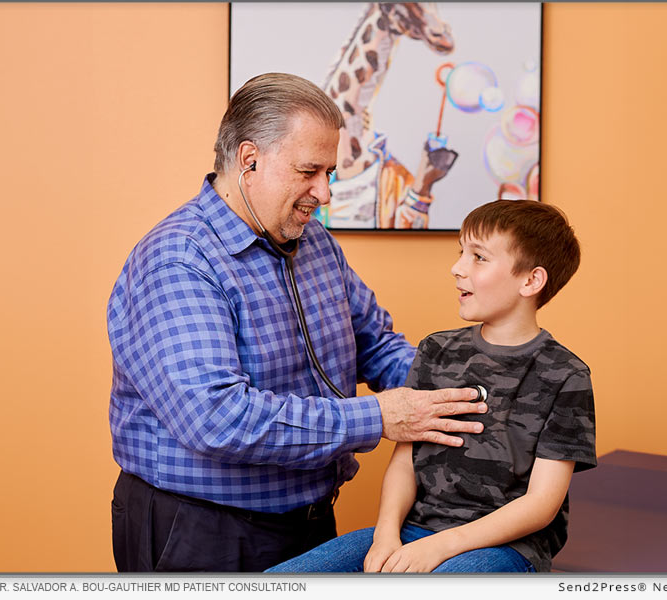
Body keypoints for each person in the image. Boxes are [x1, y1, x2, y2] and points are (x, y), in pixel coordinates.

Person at [107, 72, 488, 573]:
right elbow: (218, 419)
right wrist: (380, 416)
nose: (324, 193)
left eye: (329, 172)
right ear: (249, 160)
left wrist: (472, 385)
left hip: (309, 525)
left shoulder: (317, 245)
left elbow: (377, 345)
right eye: (310, 171)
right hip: (202, 531)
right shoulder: (178, 261)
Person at [267, 199, 597, 573]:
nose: (457, 268)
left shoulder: (565, 375)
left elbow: (542, 504)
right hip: (412, 530)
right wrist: (386, 536)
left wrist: (439, 548)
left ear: (531, 280)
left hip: (506, 548)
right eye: (461, 253)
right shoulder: (436, 351)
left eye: (479, 257)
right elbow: (405, 463)